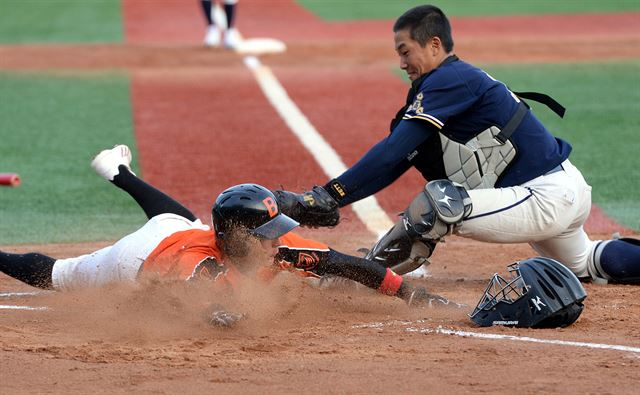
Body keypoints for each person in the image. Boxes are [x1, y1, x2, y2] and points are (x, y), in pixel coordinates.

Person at [273, 5, 640, 284]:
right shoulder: (446, 84)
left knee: (436, 207)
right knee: (585, 262)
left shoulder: (451, 79)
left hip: (546, 196)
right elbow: (401, 154)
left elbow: (393, 152)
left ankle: (362, 278)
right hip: (557, 191)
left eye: (405, 51)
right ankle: (367, 270)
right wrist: (332, 197)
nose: (401, 62)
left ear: (434, 45)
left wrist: (327, 196)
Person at [0, 145, 459, 322]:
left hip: (185, 228)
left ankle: (118, 171)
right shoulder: (197, 266)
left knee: (178, 218)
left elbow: (347, 264)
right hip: (137, 257)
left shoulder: (274, 247)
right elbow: (185, 300)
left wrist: (408, 295)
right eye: (266, 232)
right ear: (236, 237)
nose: (276, 239)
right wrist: (221, 316)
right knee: (58, 274)